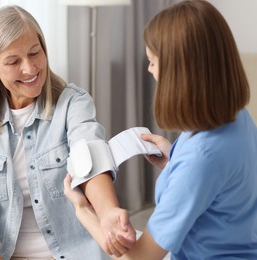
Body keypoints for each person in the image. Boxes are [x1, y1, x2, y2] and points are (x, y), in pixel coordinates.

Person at [63, 0, 257, 259]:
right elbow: (223, 185)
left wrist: (84, 212)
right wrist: (174, 161)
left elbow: (141, 258)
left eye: (153, 61)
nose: (149, 69)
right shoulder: (234, 115)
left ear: (180, 74)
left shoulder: (200, 159)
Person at [0, 5, 136, 260]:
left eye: (35, 53)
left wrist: (109, 212)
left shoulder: (73, 103)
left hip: (73, 252)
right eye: (14, 61)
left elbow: (89, 158)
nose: (30, 68)